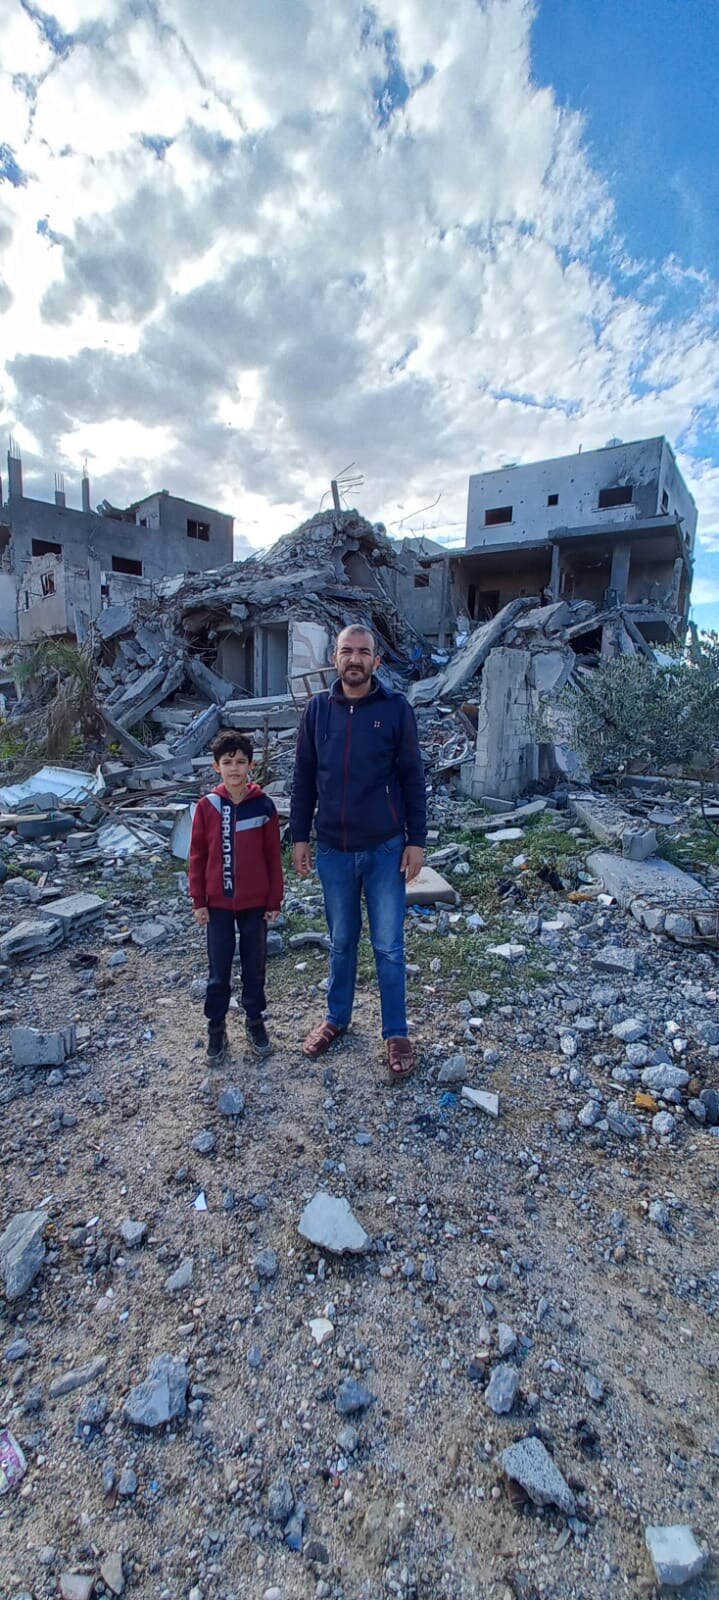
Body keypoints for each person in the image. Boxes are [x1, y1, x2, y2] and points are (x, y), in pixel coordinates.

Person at [290, 624, 426, 1080]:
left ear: (376, 662)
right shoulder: (317, 711)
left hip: (386, 849)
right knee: (342, 941)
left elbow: (412, 779)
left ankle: (396, 1032)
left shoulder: (394, 710)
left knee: (388, 946)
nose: (354, 659)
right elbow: (305, 777)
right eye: (346, 651)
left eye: (363, 652)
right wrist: (300, 836)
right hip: (332, 849)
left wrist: (416, 841)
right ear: (335, 658)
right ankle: (337, 1019)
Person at [189, 730, 283, 1063]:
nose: (234, 769)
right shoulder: (207, 806)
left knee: (255, 966)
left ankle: (255, 1020)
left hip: (255, 905)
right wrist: (198, 900)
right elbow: (197, 855)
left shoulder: (264, 806)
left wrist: (274, 901)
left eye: (240, 762)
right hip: (216, 905)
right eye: (227, 762)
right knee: (219, 969)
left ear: (250, 766)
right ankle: (216, 1028)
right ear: (216, 767)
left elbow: (273, 856)